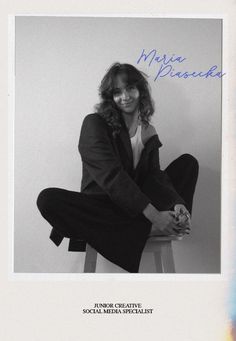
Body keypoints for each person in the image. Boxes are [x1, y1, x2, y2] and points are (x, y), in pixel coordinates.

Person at [37, 62, 199, 273]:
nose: (125, 96)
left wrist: (177, 202)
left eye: (130, 88)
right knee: (48, 199)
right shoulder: (94, 123)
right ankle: (147, 229)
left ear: (140, 90)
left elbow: (154, 176)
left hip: (136, 206)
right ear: (109, 97)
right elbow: (112, 177)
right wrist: (155, 217)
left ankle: (174, 221)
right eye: (117, 92)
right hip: (104, 206)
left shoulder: (148, 131)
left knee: (187, 164)